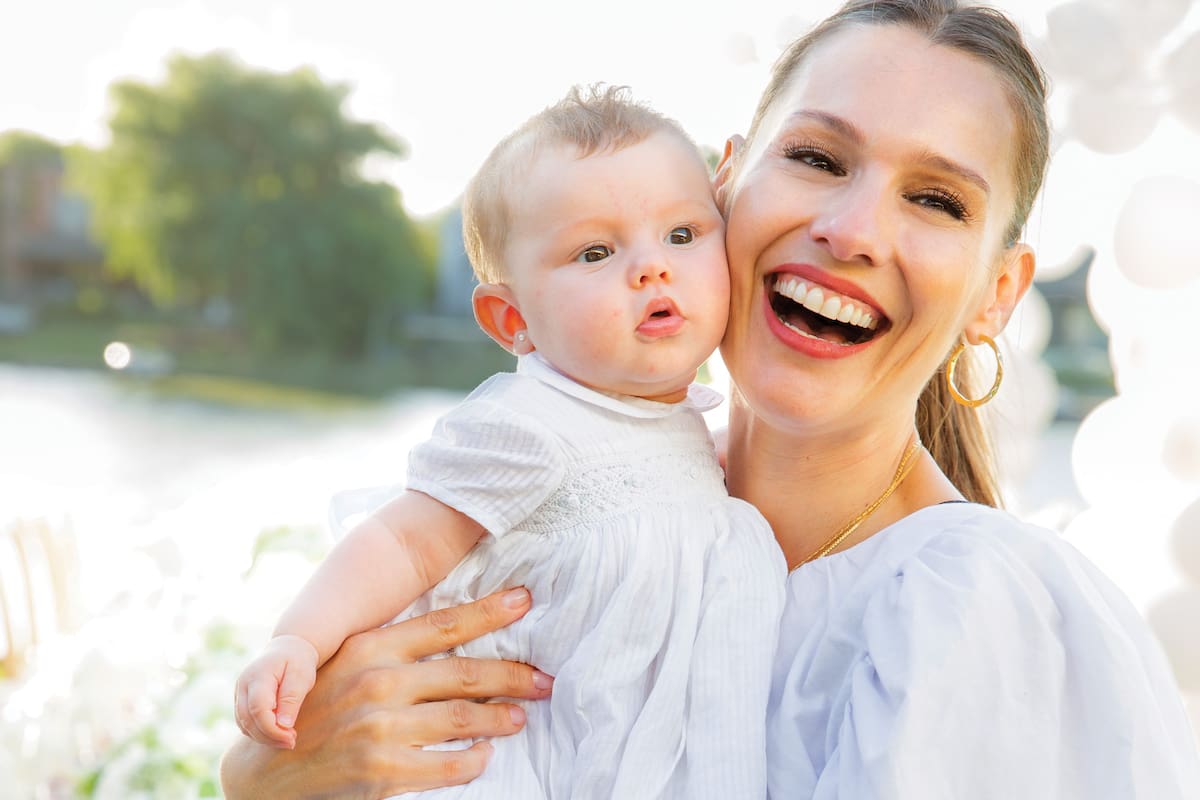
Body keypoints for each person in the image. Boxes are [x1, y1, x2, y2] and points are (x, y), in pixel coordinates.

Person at [221, 1, 1200, 797]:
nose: (853, 228)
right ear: (725, 181)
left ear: (998, 292)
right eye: (817, 157)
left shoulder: (971, 609)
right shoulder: (564, 493)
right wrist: (268, 773)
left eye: (936, 200)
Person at [231, 84, 785, 799]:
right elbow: (403, 542)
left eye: (682, 235)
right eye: (595, 251)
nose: (652, 267)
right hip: (528, 760)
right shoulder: (533, 423)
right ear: (511, 319)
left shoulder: (683, 430)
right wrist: (298, 641)